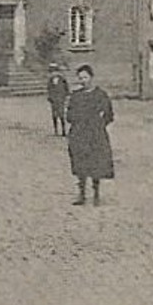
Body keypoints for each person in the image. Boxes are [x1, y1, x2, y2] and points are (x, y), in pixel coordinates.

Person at [65, 64, 114, 206]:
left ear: (91, 78)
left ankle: (96, 194)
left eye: (85, 77)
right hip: (79, 134)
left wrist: (98, 125)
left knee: (96, 163)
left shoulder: (100, 95)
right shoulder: (76, 96)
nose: (83, 81)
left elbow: (109, 115)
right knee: (80, 163)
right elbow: (69, 115)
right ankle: (81, 194)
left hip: (95, 134)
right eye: (80, 78)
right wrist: (76, 120)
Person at [46, 64, 71, 136]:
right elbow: (49, 88)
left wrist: (66, 94)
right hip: (57, 98)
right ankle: (59, 130)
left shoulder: (60, 78)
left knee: (58, 114)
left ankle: (60, 130)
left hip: (58, 98)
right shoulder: (53, 78)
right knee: (58, 114)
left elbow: (49, 88)